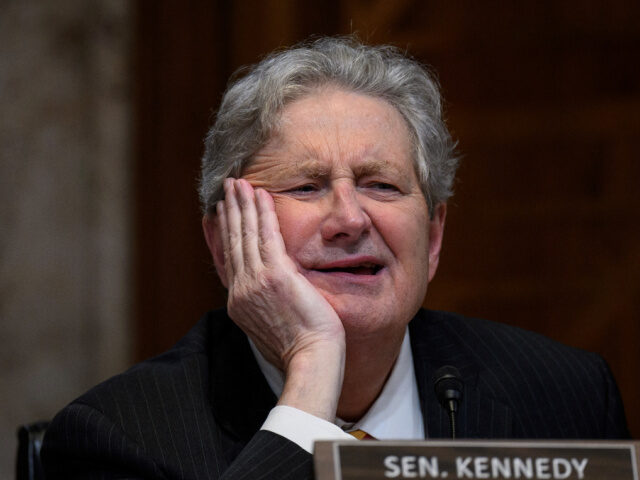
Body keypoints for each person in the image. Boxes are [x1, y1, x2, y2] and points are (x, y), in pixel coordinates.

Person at [42, 36, 629, 479]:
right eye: (305, 187)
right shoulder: (118, 439)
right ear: (226, 243)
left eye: (381, 185)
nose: (350, 218)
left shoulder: (567, 394)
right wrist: (312, 376)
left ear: (433, 238)